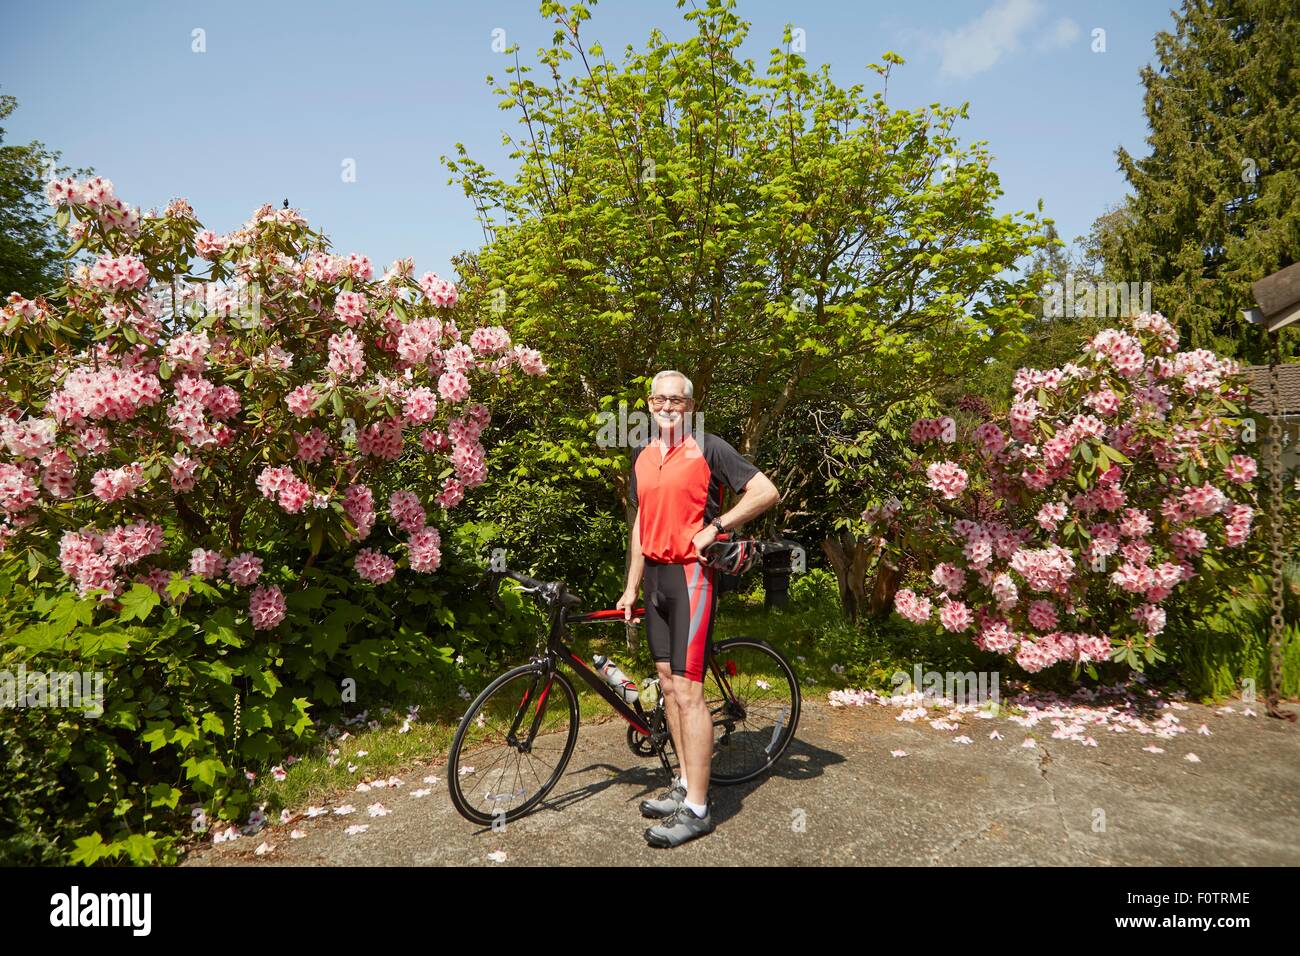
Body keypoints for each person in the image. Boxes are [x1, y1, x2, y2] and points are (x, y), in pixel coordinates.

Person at [616, 370, 780, 848]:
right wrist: (630, 587)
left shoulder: (709, 447)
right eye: (660, 399)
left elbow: (765, 491)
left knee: (689, 692)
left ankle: (699, 809)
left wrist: (716, 527)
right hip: (656, 583)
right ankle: (685, 786)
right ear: (649, 404)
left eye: (677, 401)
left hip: (692, 577)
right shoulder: (642, 454)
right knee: (667, 685)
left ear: (689, 406)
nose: (668, 407)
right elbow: (641, 523)